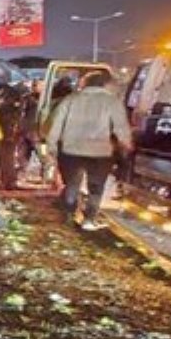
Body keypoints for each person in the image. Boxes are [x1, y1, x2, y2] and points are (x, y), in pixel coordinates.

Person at [47, 69, 134, 230]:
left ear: (85, 84)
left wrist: (51, 146)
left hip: (71, 150)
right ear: (104, 84)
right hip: (100, 152)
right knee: (96, 187)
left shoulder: (70, 100)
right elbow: (121, 127)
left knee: (72, 184)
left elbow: (56, 125)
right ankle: (89, 220)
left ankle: (68, 215)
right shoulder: (111, 101)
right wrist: (126, 145)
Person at [0, 80, 30, 189]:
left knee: (6, 155)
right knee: (7, 155)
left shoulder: (9, 97)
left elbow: (9, 113)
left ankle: (8, 180)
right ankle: (8, 180)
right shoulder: (14, 96)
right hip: (11, 129)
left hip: (8, 129)